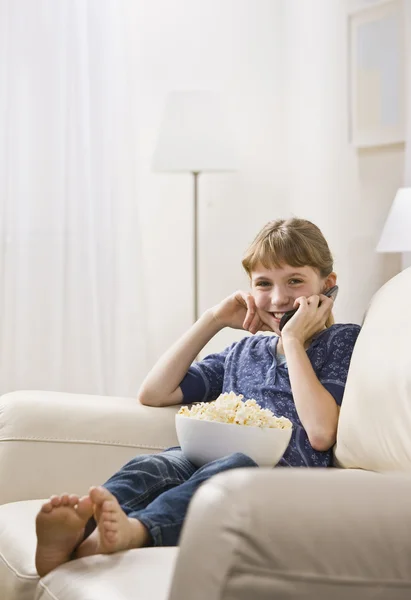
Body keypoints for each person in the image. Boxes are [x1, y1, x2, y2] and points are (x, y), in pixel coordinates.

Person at [35, 217, 361, 576]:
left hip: (272, 482)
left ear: (327, 287)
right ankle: (79, 533)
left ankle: (138, 532)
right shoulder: (245, 350)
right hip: (205, 460)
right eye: (263, 284)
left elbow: (320, 433)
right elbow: (154, 393)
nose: (279, 298)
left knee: (227, 471)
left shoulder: (341, 342)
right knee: (153, 466)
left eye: (295, 281)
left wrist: (294, 341)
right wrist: (213, 320)